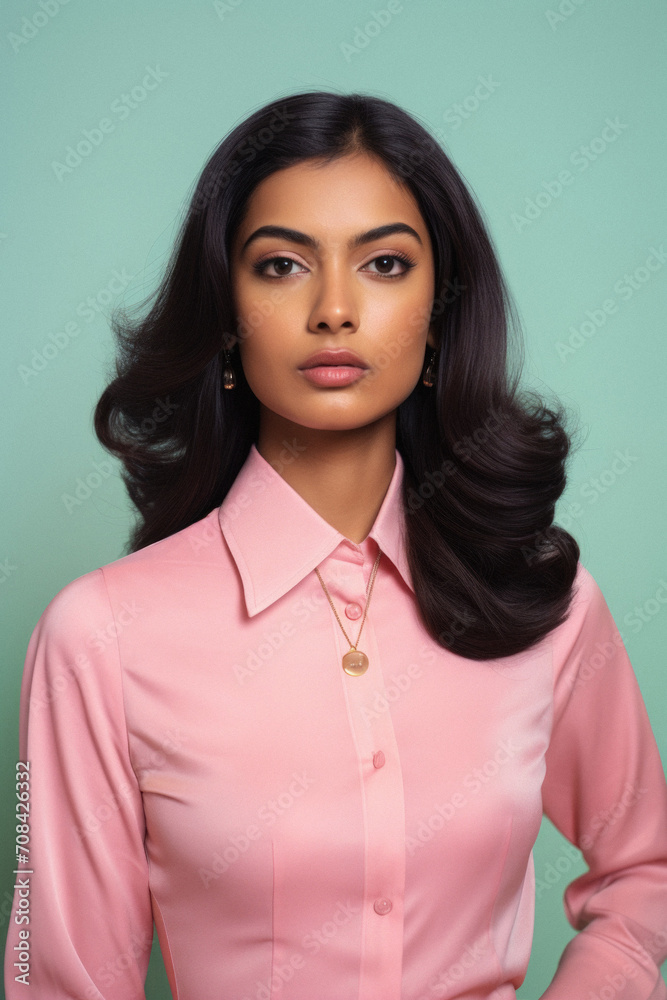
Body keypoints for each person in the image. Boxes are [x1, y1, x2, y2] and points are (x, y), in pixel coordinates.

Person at [4, 90, 667, 1000]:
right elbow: (57, 980)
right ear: (225, 312)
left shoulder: (542, 598)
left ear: (440, 307)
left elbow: (645, 869)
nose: (334, 309)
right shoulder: (99, 639)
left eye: (384, 263)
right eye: (281, 265)